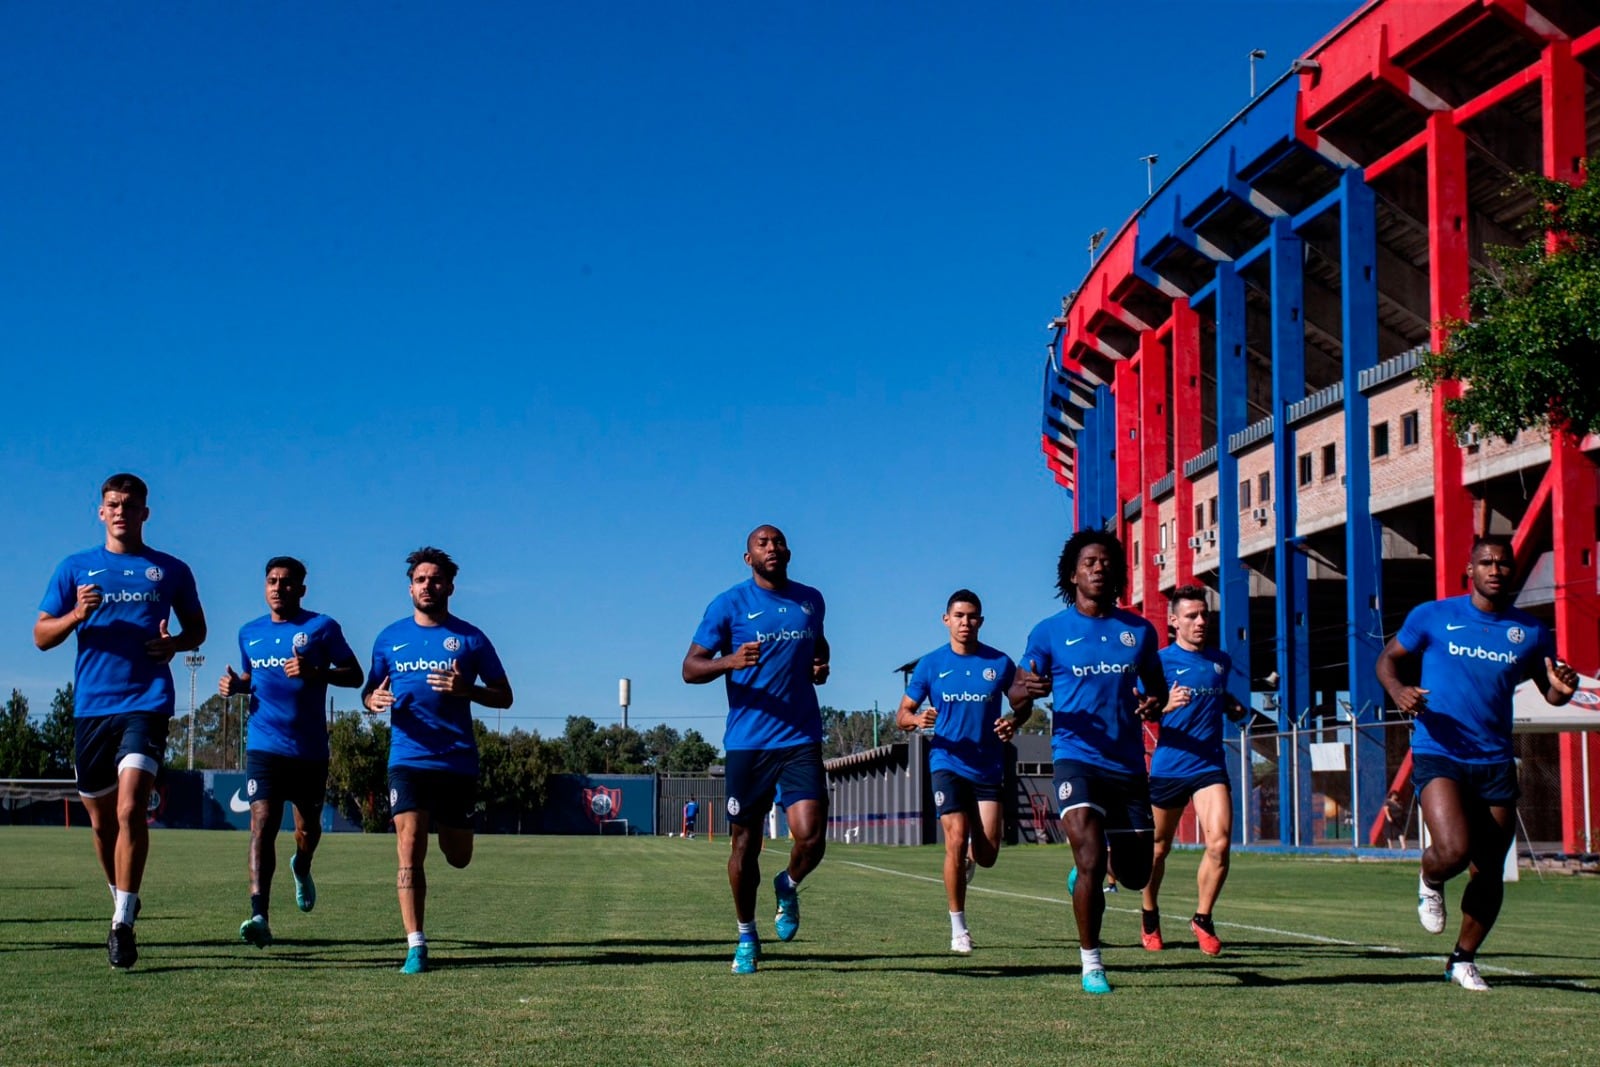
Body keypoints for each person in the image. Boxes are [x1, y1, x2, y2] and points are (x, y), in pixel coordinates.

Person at [1375, 535, 1577, 992]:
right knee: (1454, 849)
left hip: (1494, 759)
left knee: (1489, 867)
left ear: (1512, 571)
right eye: (1485, 562)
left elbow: (1550, 691)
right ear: (1470, 569)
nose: (1494, 570)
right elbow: (1387, 660)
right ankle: (1429, 877)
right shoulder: (1432, 616)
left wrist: (1562, 691)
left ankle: (1463, 959)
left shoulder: (1530, 632)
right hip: (1439, 749)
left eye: (1503, 564)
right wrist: (1398, 691)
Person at [33, 473, 207, 969]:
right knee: (102, 822)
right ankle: (121, 895)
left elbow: (197, 628)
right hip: (91, 708)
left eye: (130, 505)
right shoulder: (75, 568)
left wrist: (174, 643)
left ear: (145, 513)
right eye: (113, 504)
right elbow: (41, 637)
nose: (121, 512)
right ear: (100, 511)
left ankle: (122, 924)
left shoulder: (169, 570)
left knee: (131, 809)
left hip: (146, 701)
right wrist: (75, 617)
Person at [1008, 529, 1165, 995]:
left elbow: (1154, 689)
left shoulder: (1138, 631)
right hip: (1076, 757)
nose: (1098, 568)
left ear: (1116, 571)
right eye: (1089, 562)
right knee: (1092, 857)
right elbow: (1019, 690)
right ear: (1073, 574)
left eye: (1105, 561)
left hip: (1128, 765)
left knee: (1137, 875)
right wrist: (1024, 694)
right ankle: (1092, 963)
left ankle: (1091, 872)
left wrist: (1153, 703)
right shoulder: (1049, 631)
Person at [683, 524, 830, 975]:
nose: (772, 548)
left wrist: (822, 666)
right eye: (762, 544)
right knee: (745, 845)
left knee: (811, 836)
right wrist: (729, 660)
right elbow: (690, 668)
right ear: (748, 558)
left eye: (778, 542)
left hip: (801, 737)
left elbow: (818, 646)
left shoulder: (811, 600)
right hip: (749, 742)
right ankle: (747, 935)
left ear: (789, 552)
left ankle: (788, 884)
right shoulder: (728, 605)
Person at [362, 547, 513, 974]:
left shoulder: (470, 638)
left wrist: (469, 689)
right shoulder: (389, 638)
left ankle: (458, 836)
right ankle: (416, 945)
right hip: (407, 757)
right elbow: (371, 690)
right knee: (409, 847)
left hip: (456, 762)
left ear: (450, 586)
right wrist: (372, 699)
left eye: (436, 579)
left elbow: (504, 695)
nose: (428, 585)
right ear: (410, 587)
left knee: (457, 854)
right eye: (421, 579)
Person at [219, 556, 362, 948]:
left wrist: (318, 672)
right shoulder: (249, 633)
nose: (278, 588)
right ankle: (258, 914)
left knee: (307, 829)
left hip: (309, 750)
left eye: (286, 582)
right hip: (264, 745)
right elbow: (256, 679)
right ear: (264, 586)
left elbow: (356, 675)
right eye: (271, 581)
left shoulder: (321, 628)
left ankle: (303, 864)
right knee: (262, 823)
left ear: (302, 589)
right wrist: (237, 685)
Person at [894, 590, 1023, 954]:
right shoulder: (932, 665)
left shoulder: (999, 663)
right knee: (954, 836)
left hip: (987, 766)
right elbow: (902, 714)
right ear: (946, 619)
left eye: (972, 616)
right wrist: (918, 720)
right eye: (959, 616)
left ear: (981, 621)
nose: (966, 622)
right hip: (946, 762)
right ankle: (959, 929)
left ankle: (970, 858)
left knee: (988, 854)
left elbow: (1022, 705)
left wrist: (1014, 721)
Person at [1141, 585, 1247, 956]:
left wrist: (1231, 706)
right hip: (1170, 765)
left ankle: (1202, 917)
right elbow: (1138, 707)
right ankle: (1149, 913)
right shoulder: (1158, 662)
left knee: (1219, 842)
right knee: (1156, 850)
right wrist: (1165, 706)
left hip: (1209, 765)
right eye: (1191, 616)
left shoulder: (1220, 661)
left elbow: (1214, 693)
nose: (1201, 621)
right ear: (1173, 621)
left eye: (1204, 615)